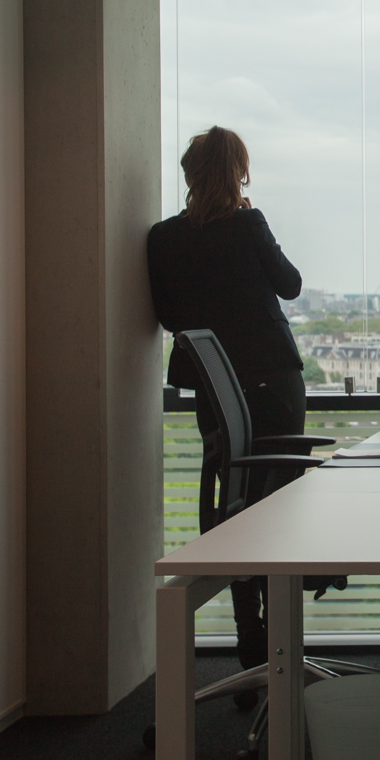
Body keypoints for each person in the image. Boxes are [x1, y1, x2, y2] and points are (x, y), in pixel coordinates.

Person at [147, 126, 304, 669]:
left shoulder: (163, 238)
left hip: (214, 390)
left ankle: (249, 629)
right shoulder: (248, 224)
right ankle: (282, 630)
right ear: (239, 172)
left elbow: (168, 317)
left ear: (189, 176)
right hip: (273, 384)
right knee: (278, 504)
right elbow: (290, 284)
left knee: (233, 499)